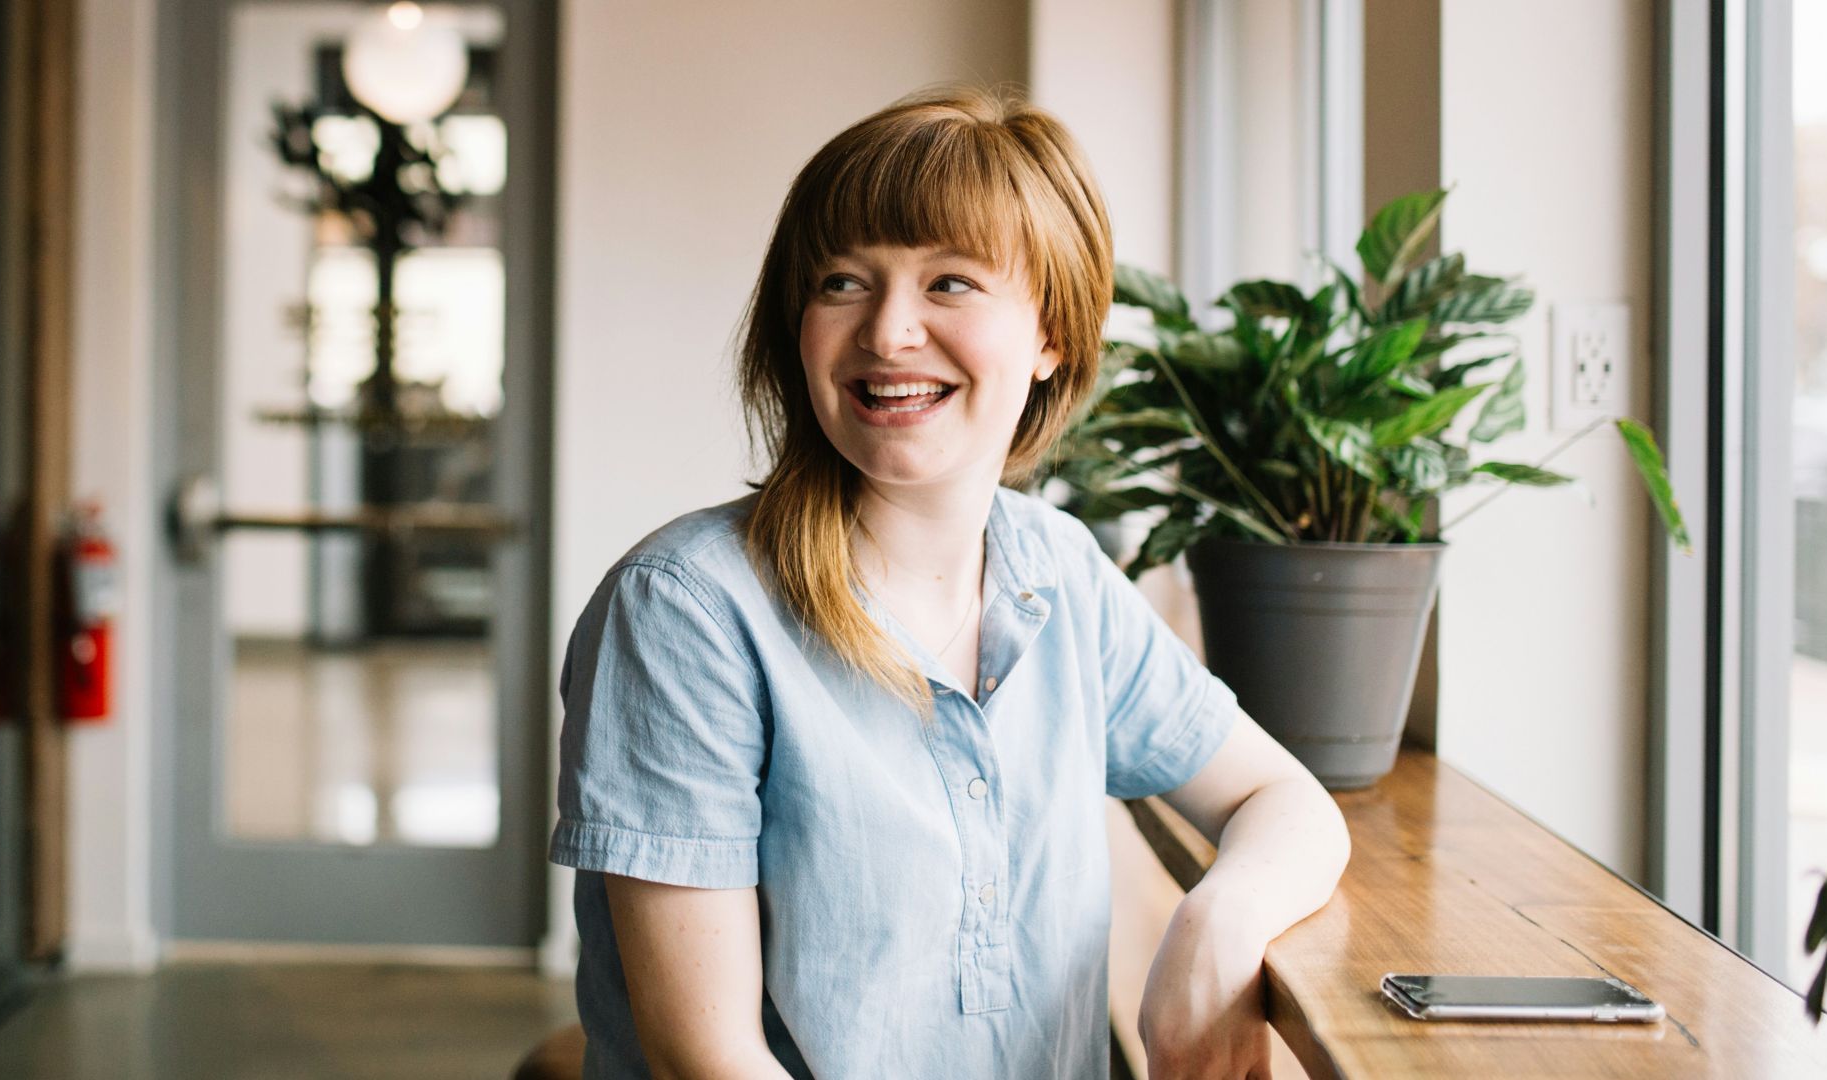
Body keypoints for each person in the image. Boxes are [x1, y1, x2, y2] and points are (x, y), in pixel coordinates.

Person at [550, 86, 1351, 1080]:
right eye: (842, 282)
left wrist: (1219, 923)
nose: (887, 332)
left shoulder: (1058, 572)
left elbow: (1284, 798)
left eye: (950, 283)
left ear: (1052, 332)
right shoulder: (686, 610)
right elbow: (704, 1060)